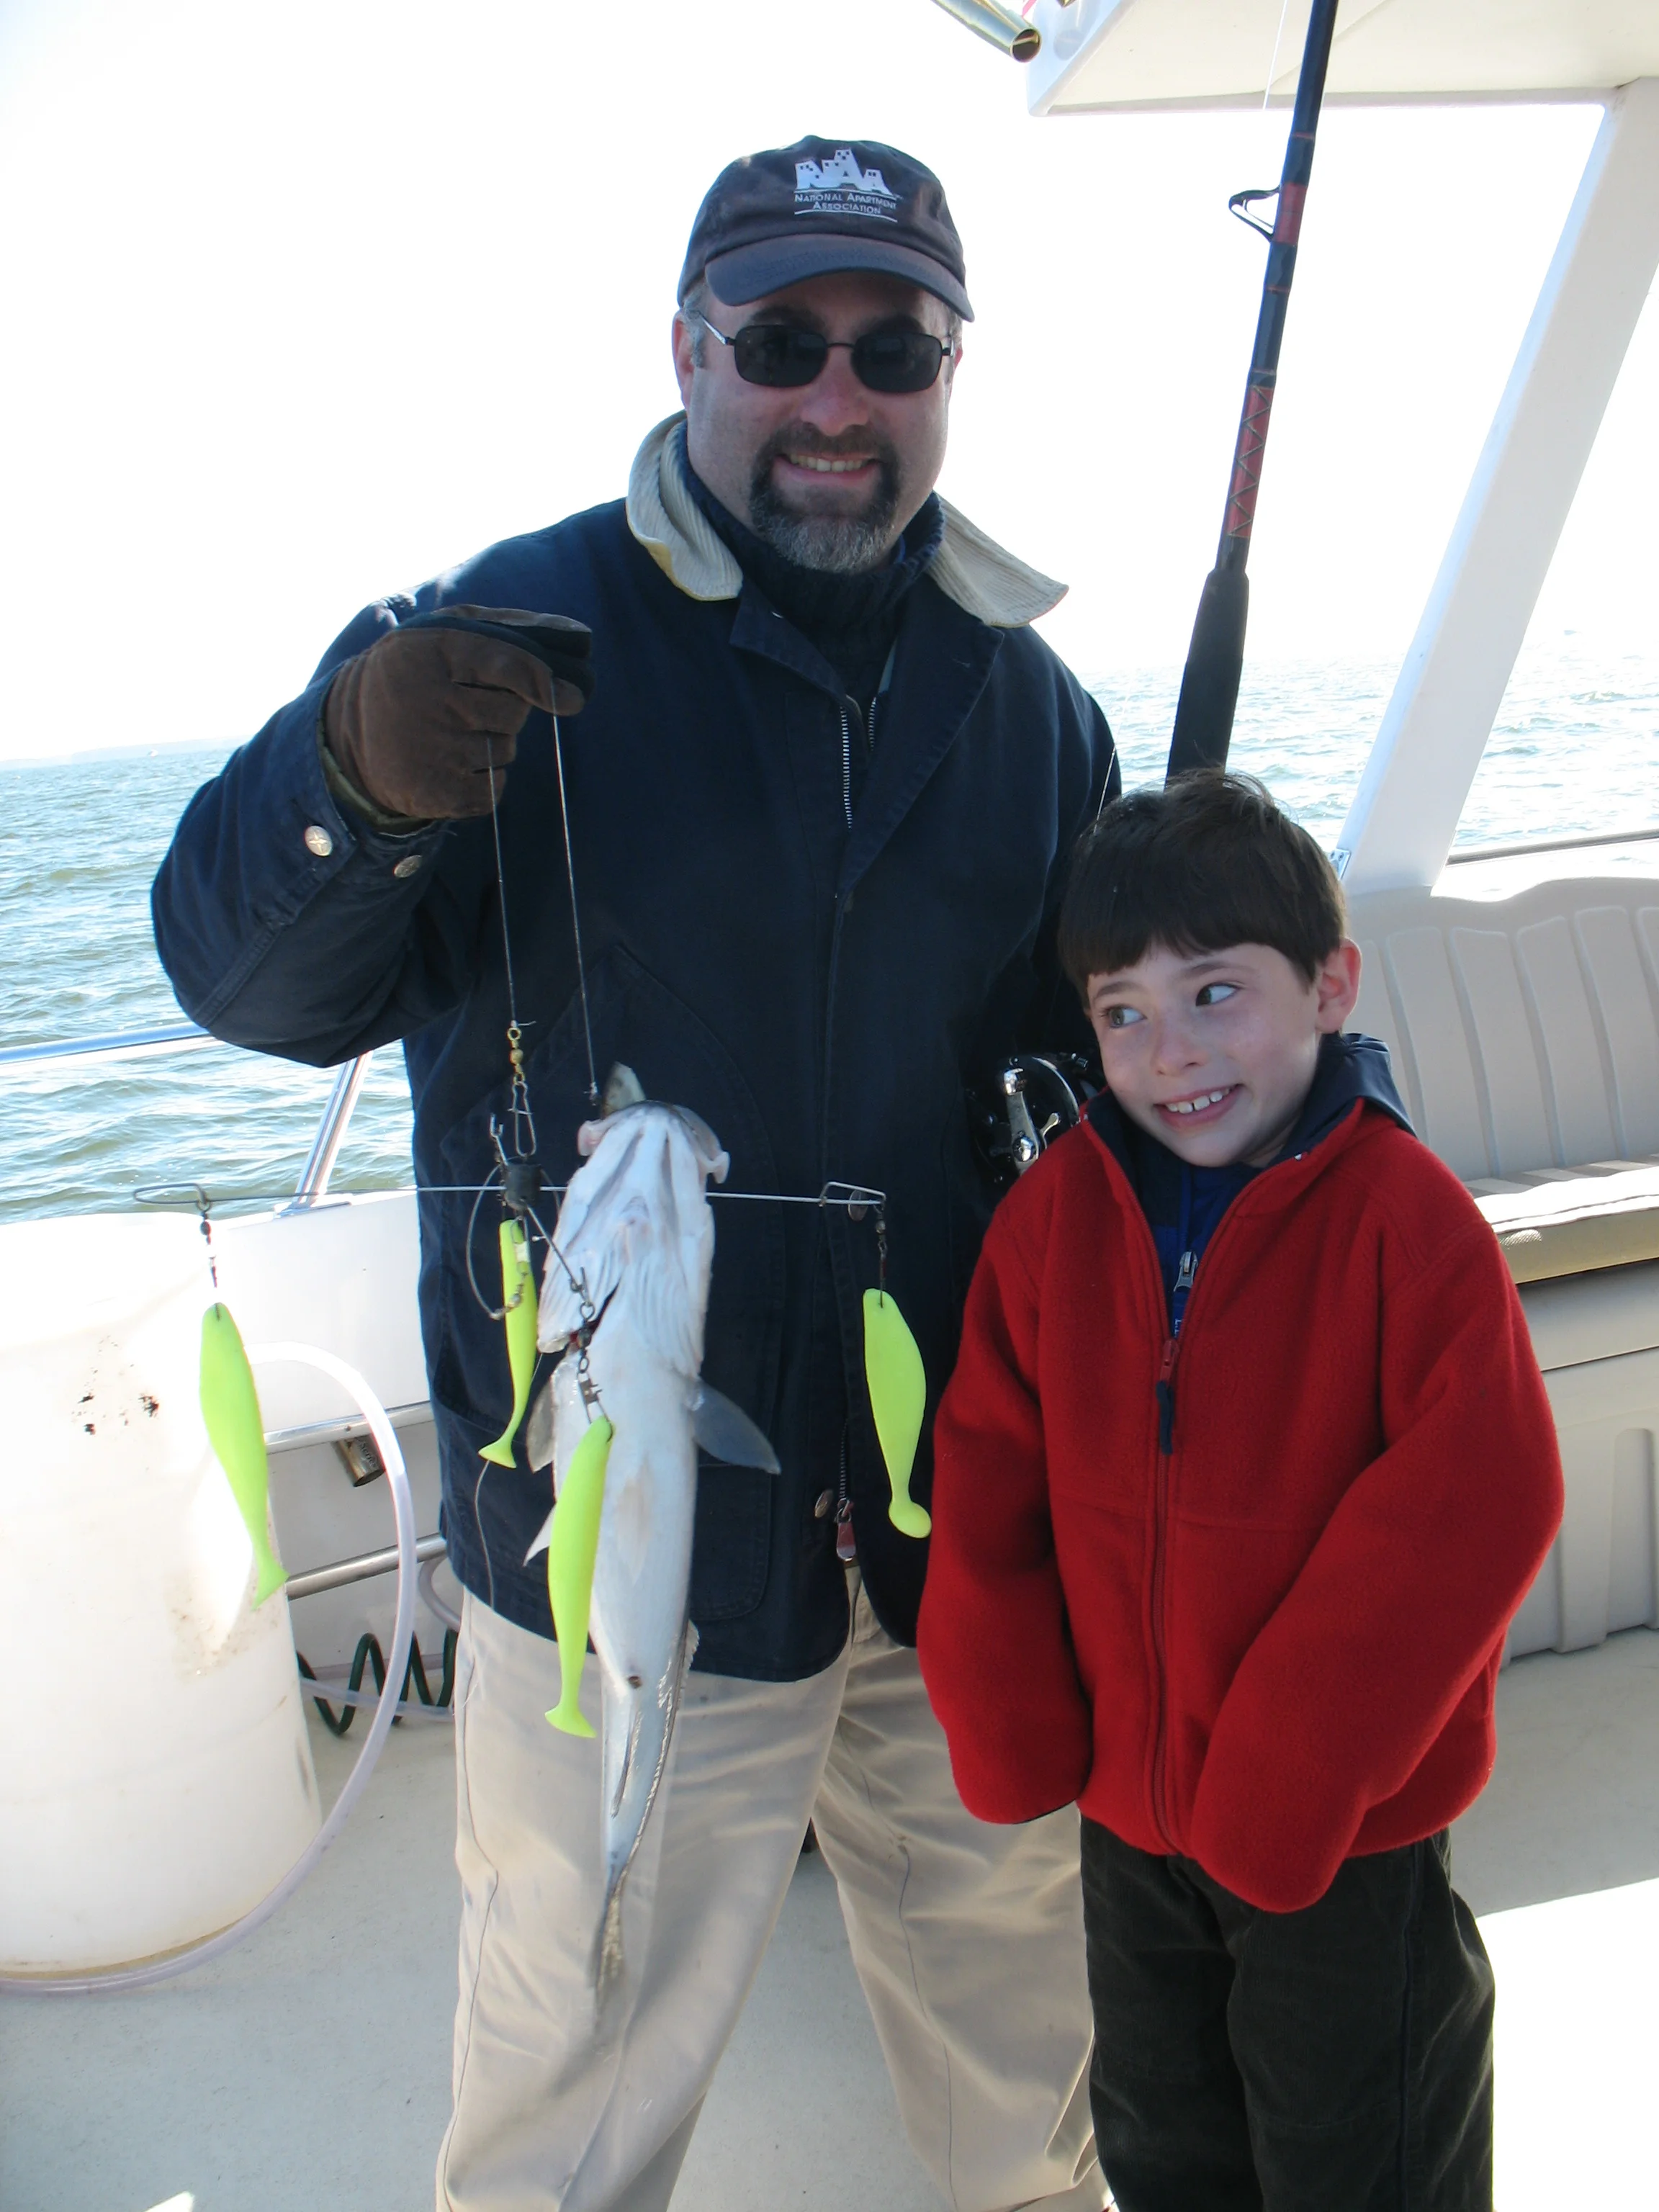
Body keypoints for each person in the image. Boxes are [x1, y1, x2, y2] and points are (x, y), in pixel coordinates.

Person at [153, 139, 1118, 2212]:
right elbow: (238, 979)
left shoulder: (1036, 708)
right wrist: (352, 782)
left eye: (895, 345)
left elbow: (1126, 1061)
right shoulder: (492, 647)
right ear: (689, 349)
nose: (839, 397)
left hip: (963, 1542)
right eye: (782, 341)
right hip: (609, 1559)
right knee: (568, 2097)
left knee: (1037, 2076)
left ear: (955, 370)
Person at [917, 773, 1564, 2212]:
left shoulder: (1410, 1224)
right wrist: (1016, 1719)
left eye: (1217, 994)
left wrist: (1287, 1773)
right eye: (1123, 1012)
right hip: (1131, 1822)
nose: (1170, 1054)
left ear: (1331, 983)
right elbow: (985, 1474)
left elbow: (1481, 1500)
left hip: (1341, 1834)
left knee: (1365, 2153)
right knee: (1165, 2143)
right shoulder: (1051, 1224)